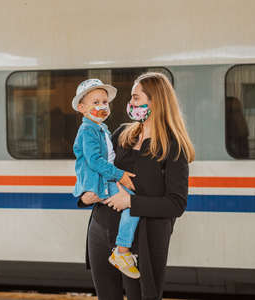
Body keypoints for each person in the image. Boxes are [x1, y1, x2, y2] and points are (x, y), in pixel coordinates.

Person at [79, 72, 195, 300]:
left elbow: (176, 204)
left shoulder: (173, 147)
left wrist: (130, 201)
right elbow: (95, 169)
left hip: (143, 242)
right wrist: (85, 197)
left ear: (156, 101)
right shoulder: (122, 134)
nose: (130, 103)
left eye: (136, 97)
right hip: (101, 230)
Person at [71, 78, 140, 278]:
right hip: (101, 181)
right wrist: (120, 175)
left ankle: (122, 249)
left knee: (132, 203)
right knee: (134, 205)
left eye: (104, 102)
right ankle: (122, 251)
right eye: (95, 103)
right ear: (82, 108)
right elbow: (94, 161)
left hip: (105, 179)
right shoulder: (88, 130)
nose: (102, 106)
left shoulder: (101, 128)